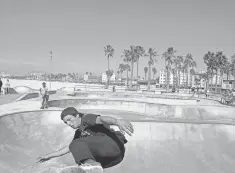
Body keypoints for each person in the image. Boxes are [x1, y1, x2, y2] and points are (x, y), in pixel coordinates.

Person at [37, 107, 134, 173]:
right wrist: (48, 156)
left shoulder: (86, 119)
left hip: (114, 146)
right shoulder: (78, 134)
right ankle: (92, 168)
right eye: (66, 122)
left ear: (77, 116)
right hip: (112, 159)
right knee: (74, 145)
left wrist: (117, 121)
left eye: (69, 119)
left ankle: (92, 165)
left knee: (77, 143)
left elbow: (101, 119)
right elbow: (69, 148)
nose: (69, 124)